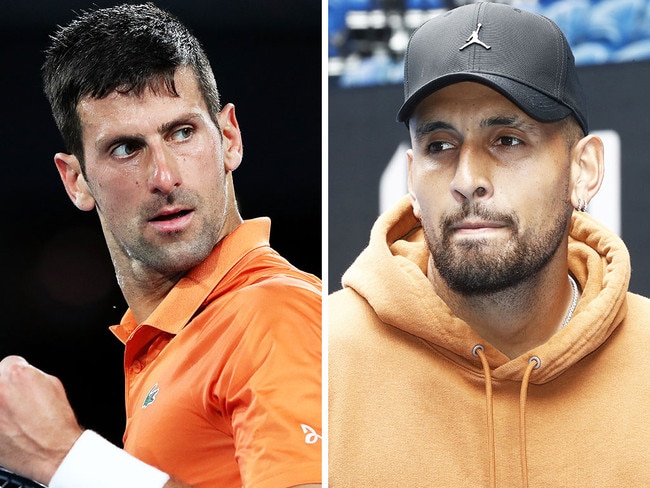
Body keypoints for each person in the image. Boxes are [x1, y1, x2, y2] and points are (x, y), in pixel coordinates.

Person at [328, 2, 650, 487]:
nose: (468, 179)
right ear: (412, 177)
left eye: (507, 140)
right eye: (440, 145)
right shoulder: (318, 354)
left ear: (583, 170)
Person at [0, 3, 322, 488]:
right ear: (76, 181)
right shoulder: (173, 339)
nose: (165, 177)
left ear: (229, 137)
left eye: (183, 132)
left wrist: (63, 457)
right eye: (126, 148)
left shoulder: (271, 312)